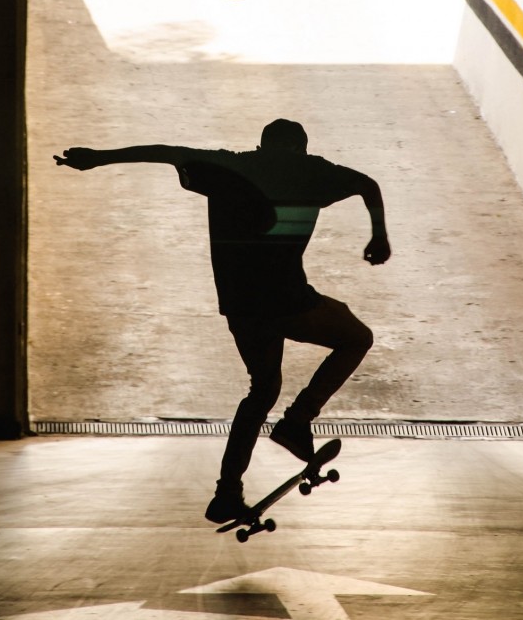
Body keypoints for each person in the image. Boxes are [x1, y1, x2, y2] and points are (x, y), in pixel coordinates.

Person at [54, 119, 391, 523]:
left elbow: (165, 151)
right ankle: (299, 419)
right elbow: (367, 184)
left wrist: (99, 158)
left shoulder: (231, 166)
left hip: (241, 306)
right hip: (288, 300)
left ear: (261, 146)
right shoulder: (313, 171)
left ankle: (227, 491)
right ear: (301, 148)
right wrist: (379, 235)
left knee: (263, 389)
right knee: (356, 337)